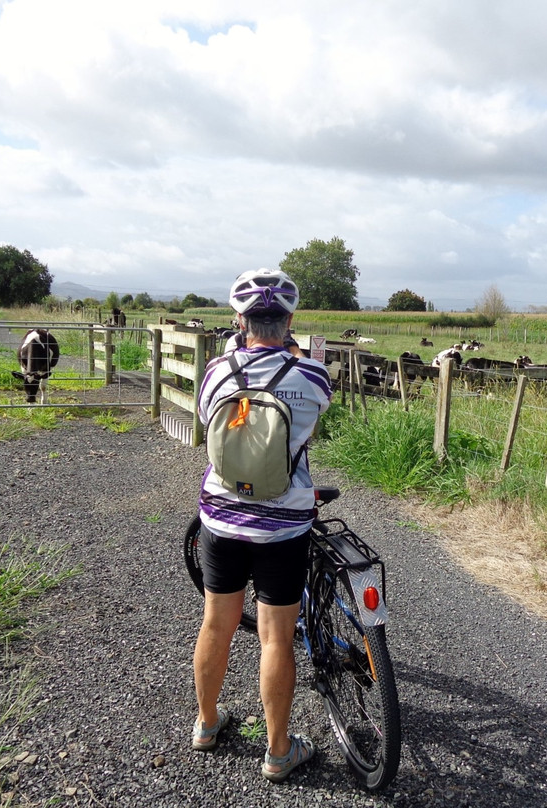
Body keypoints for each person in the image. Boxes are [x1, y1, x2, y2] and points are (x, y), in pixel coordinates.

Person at [192, 268, 332, 782]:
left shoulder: (214, 371)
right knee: (274, 638)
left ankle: (207, 725)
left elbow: (209, 423)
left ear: (239, 319)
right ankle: (278, 751)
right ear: (289, 320)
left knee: (216, 624)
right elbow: (316, 421)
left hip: (221, 517)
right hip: (283, 525)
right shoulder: (312, 376)